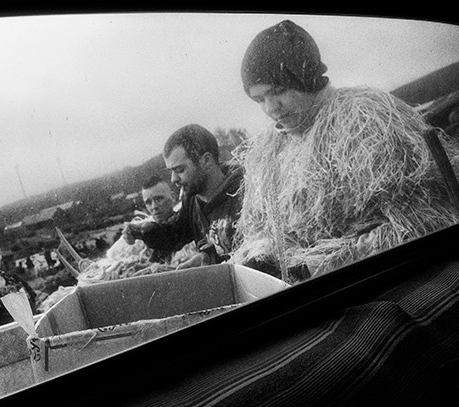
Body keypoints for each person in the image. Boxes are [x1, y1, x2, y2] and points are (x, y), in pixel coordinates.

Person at [230, 19, 459, 283]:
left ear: (306, 77)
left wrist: (318, 266)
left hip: (401, 279)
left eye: (278, 91)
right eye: (259, 99)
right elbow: (261, 232)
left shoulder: (367, 120)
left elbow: (423, 222)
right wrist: (261, 256)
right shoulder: (266, 152)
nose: (271, 109)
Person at [124, 124, 244, 268]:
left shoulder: (244, 193)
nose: (173, 179)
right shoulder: (192, 199)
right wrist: (143, 231)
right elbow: (174, 234)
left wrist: (208, 259)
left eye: (180, 170)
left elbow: (257, 252)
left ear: (206, 161)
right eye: (171, 171)